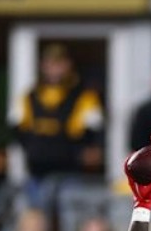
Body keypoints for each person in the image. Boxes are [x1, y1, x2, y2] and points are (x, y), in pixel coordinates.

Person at [10, 43, 103, 183]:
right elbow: (17, 128)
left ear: (68, 65)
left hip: (71, 170)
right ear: (43, 66)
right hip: (37, 170)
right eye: (50, 64)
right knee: (36, 204)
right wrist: (33, 150)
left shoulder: (84, 96)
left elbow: (95, 130)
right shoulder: (29, 97)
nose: (54, 69)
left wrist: (88, 150)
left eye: (59, 64)